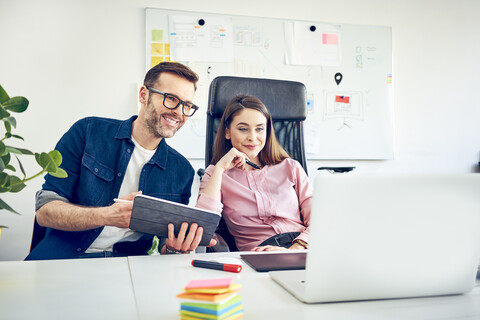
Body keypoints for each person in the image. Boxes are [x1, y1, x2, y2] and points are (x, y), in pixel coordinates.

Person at [26, 62, 215, 260]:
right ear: (143, 95)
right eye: (171, 99)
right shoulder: (88, 132)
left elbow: (165, 247)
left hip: (129, 266)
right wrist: (108, 215)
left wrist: (176, 248)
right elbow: (45, 211)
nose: (179, 112)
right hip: (62, 259)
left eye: (187, 105)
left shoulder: (182, 171)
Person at [196, 94, 312, 252]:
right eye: (243, 129)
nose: (253, 137)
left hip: (303, 247)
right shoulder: (214, 174)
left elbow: (319, 219)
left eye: (259, 129)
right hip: (260, 253)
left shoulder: (290, 167)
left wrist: (297, 248)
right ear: (227, 132)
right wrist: (220, 169)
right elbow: (203, 226)